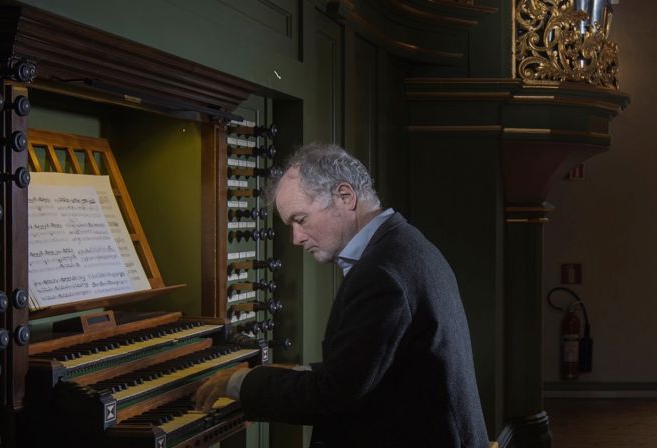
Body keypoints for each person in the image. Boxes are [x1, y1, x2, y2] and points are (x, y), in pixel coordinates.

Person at [195, 142, 488, 447]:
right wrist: (296, 372)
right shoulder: (405, 244)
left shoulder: (381, 273)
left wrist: (240, 383)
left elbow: (333, 395)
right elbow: (372, 366)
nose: (295, 238)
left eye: (300, 219)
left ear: (345, 197)